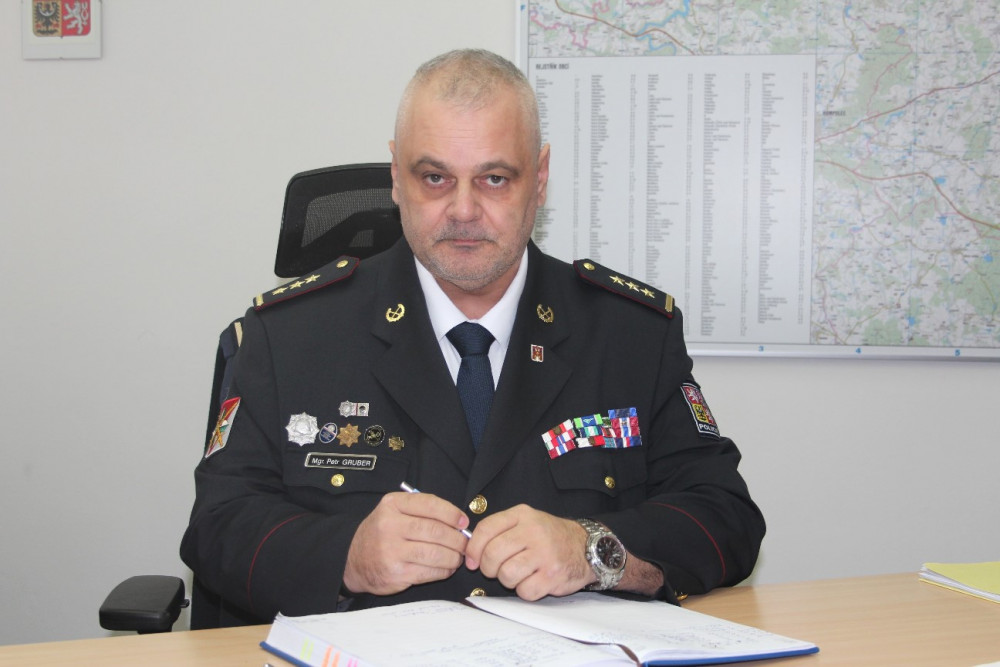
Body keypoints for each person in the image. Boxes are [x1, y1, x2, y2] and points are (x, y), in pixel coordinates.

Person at [180, 49, 765, 624]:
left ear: (539, 179)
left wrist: (592, 549)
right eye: (435, 177)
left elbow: (726, 517)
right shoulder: (291, 336)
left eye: (494, 178)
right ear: (396, 176)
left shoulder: (630, 335)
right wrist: (347, 556)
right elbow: (217, 526)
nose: (463, 210)